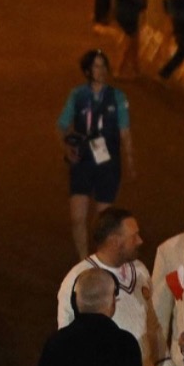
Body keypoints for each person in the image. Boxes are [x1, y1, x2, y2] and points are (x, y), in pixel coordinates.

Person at [57, 51, 133, 260]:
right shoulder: (78, 95)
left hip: (108, 163)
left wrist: (129, 159)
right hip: (83, 161)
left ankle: (99, 260)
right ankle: (84, 260)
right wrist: (67, 148)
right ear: (88, 70)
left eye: (103, 66)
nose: (101, 71)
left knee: (103, 220)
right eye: (96, 66)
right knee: (77, 218)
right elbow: (62, 125)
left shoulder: (117, 97)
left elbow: (124, 130)